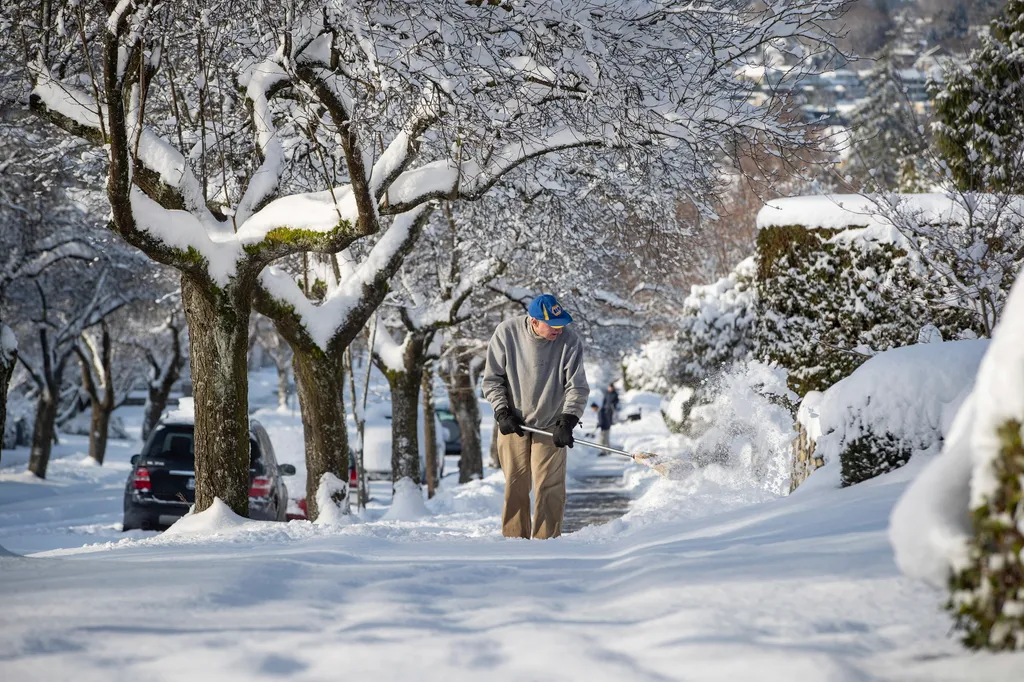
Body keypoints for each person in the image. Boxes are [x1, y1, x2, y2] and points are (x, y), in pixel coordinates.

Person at [482, 294, 589, 539]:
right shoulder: (506, 333)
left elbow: (577, 386)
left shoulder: (570, 342)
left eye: (562, 323)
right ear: (534, 321)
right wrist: (502, 411)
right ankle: (514, 540)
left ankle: (547, 541)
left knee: (549, 486)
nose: (559, 330)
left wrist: (568, 419)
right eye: (553, 324)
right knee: (515, 484)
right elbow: (492, 379)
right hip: (513, 422)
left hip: (551, 423)